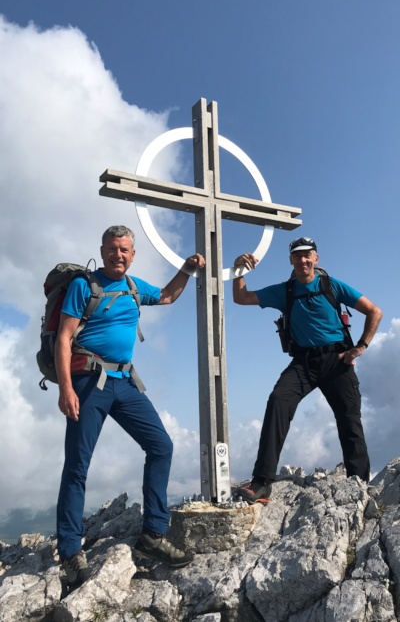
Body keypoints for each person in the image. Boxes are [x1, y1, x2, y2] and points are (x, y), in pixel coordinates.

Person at [55, 225, 205, 585]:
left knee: (161, 446)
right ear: (102, 250)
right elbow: (63, 337)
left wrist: (186, 269)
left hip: (124, 381)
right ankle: (71, 552)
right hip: (89, 380)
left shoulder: (135, 287)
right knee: (77, 464)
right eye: (112, 249)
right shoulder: (84, 286)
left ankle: (153, 534)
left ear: (132, 255)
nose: (117, 255)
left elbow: (168, 296)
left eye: (124, 250)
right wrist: (66, 389)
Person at [232, 236, 382, 505]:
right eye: (297, 255)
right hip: (303, 363)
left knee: (349, 420)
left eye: (307, 254)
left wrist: (359, 347)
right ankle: (262, 482)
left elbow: (374, 312)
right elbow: (241, 297)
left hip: (337, 361)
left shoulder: (331, 285)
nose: (303, 259)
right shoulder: (285, 291)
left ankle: (359, 484)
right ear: (290, 260)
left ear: (316, 258)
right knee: (278, 401)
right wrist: (238, 271)